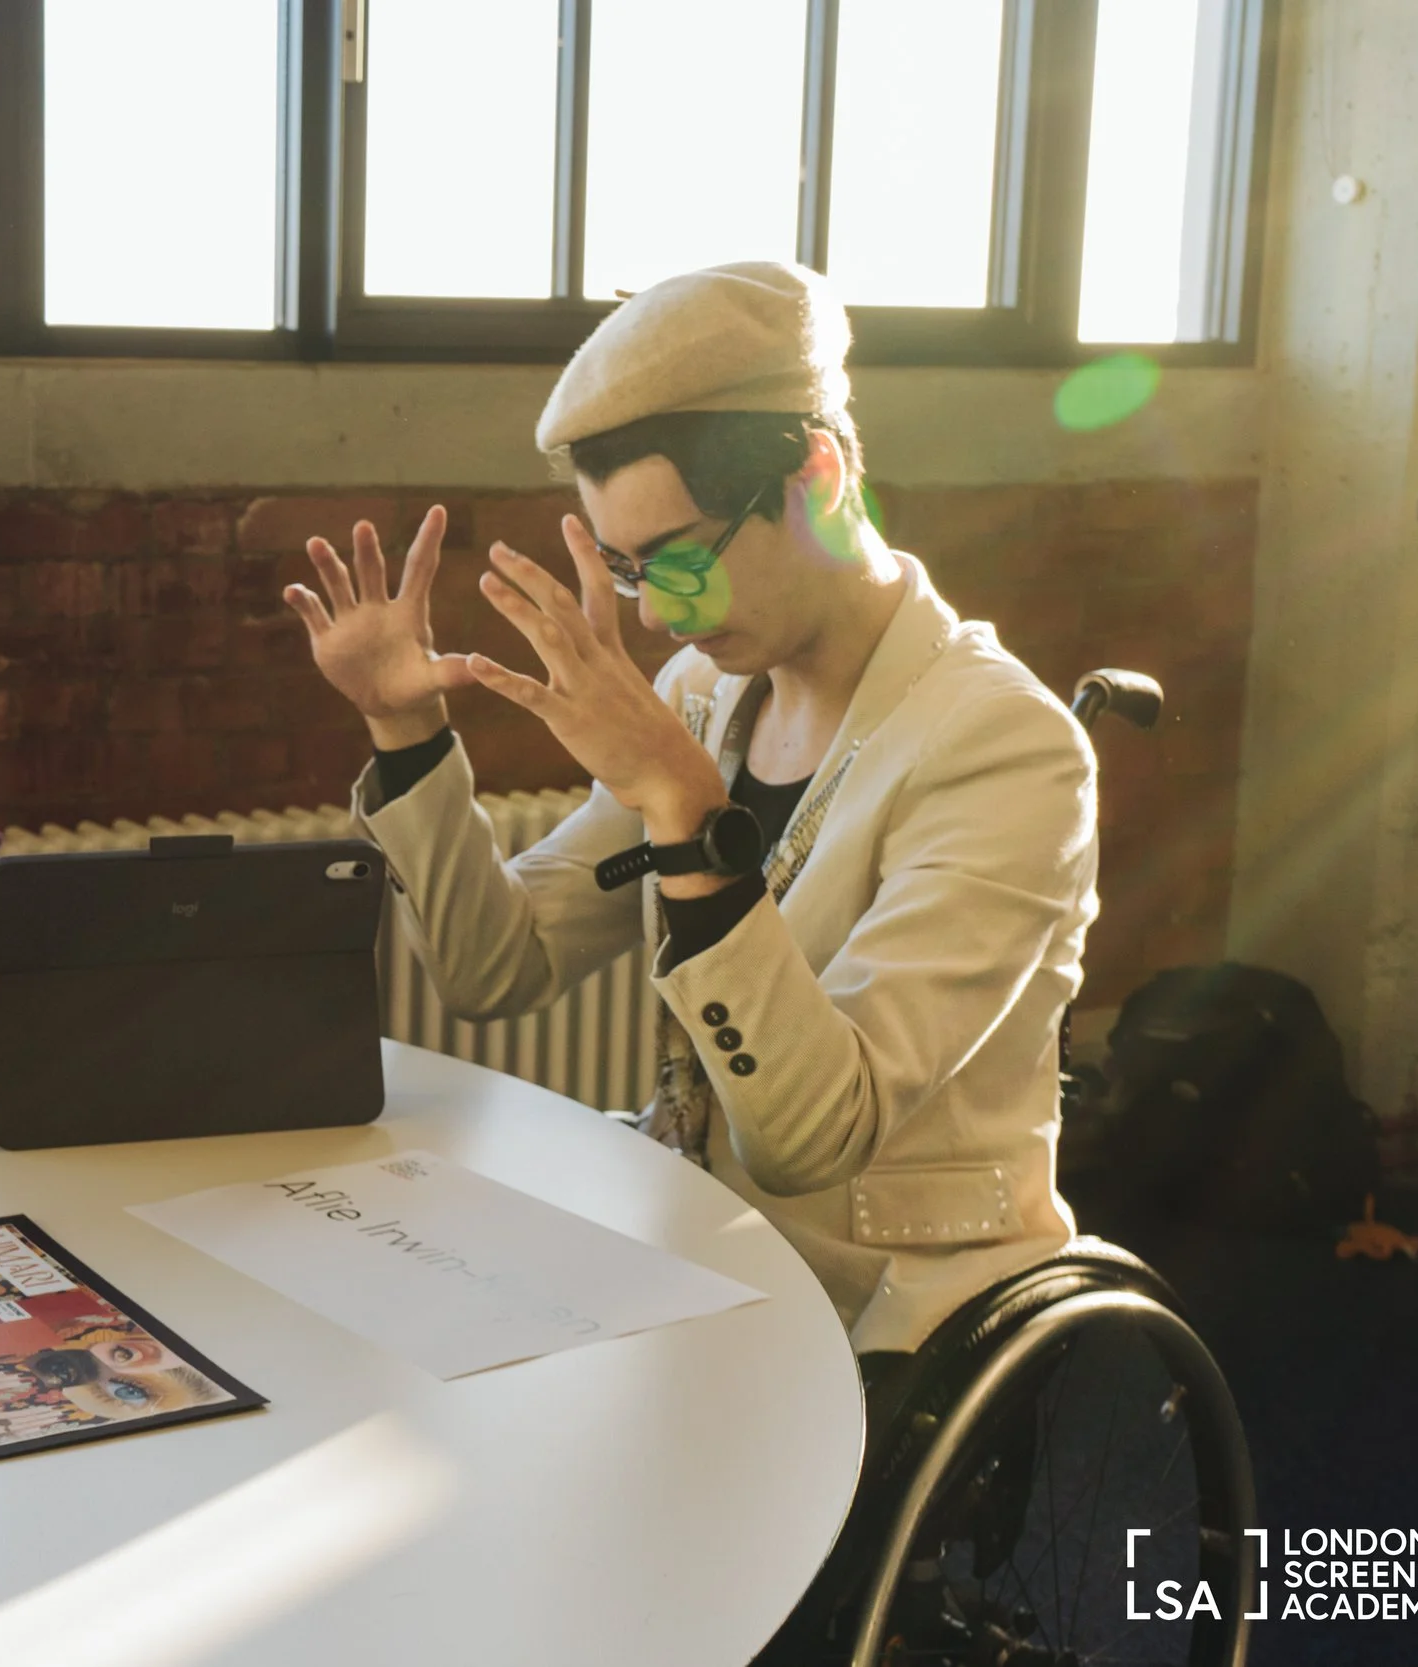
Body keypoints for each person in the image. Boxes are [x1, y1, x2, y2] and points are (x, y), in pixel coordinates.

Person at [282, 260, 1094, 1371]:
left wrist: (681, 807)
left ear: (813, 477)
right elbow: (495, 971)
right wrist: (403, 730)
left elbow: (815, 1136)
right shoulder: (705, 694)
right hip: (699, 1248)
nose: (660, 613)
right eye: (623, 571)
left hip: (891, 1305)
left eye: (678, 561)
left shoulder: (1005, 744)